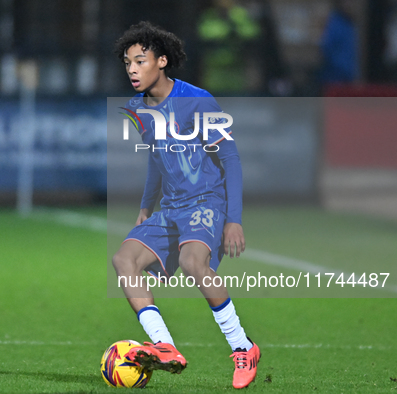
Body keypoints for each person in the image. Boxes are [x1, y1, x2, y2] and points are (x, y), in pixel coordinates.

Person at [112, 21, 260, 389]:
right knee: (123, 259)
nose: (132, 68)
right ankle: (164, 346)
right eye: (127, 62)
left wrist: (233, 220)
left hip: (206, 202)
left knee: (195, 262)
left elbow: (231, 158)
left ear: (162, 61)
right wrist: (147, 205)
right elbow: (155, 159)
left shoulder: (197, 100)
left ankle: (243, 347)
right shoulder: (138, 108)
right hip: (171, 207)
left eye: (140, 60)